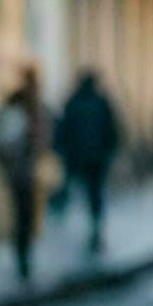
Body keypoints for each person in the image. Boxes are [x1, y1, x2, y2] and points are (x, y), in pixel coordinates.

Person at [0, 63, 52, 280]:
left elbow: (45, 137)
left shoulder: (36, 107)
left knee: (28, 216)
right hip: (21, 170)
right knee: (23, 215)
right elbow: (3, 142)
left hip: (31, 170)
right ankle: (22, 258)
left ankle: (25, 256)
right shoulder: (18, 107)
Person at [55, 70, 120, 253]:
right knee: (95, 195)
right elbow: (113, 130)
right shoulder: (100, 102)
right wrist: (109, 152)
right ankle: (95, 230)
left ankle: (90, 228)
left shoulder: (74, 102)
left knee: (84, 192)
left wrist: (65, 151)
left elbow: (63, 131)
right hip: (97, 160)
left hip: (80, 158)